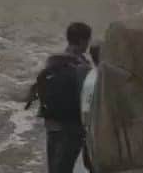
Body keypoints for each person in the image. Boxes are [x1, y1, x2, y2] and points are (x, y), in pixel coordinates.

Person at [27, 22, 93, 173]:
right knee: (64, 167)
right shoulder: (83, 67)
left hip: (51, 123)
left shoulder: (53, 61)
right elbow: (87, 100)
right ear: (83, 41)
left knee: (54, 166)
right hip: (71, 127)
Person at [79, 43, 101, 173]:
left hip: (93, 134)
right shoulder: (97, 79)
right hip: (100, 136)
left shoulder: (91, 76)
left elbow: (85, 112)